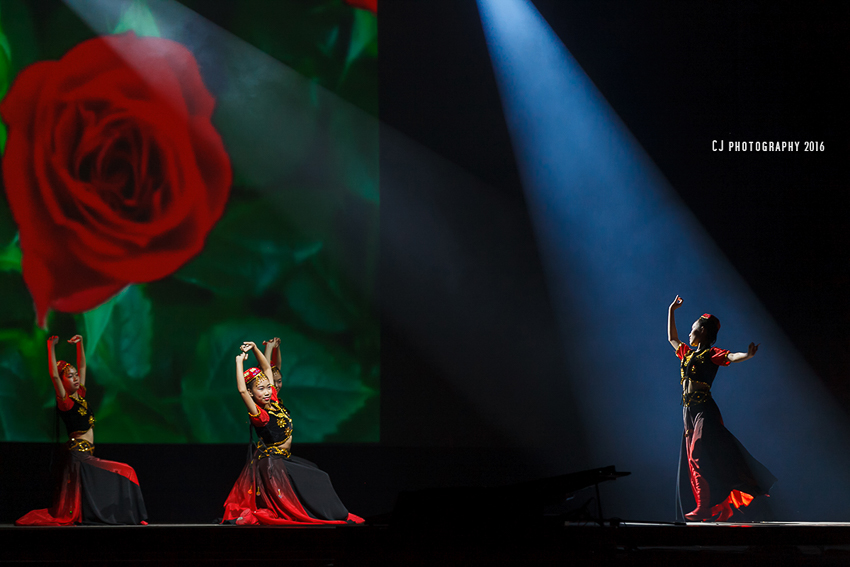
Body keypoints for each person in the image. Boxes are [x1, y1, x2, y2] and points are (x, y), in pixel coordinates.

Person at [221, 341, 363, 525]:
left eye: (267, 386)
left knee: (315, 470)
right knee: (320, 478)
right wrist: (239, 361)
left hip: (283, 459)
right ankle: (331, 515)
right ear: (251, 392)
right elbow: (241, 390)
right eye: (260, 389)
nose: (266, 391)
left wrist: (256, 348)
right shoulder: (260, 415)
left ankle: (330, 513)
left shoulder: (273, 399)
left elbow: (267, 367)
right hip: (273, 464)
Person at [16, 335, 148, 525]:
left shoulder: (81, 396)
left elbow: (83, 367)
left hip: (87, 455)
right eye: (70, 376)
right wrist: (50, 347)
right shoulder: (66, 402)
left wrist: (80, 345)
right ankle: (132, 517)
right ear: (62, 382)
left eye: (75, 375)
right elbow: (54, 375)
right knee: (125, 471)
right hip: (78, 456)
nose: (76, 378)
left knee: (119, 475)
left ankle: (129, 516)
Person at [668, 296, 776, 522]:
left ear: (704, 332)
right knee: (693, 459)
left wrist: (747, 355)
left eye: (693, 328)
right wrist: (671, 310)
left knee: (698, 453)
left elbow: (731, 356)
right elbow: (672, 338)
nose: (689, 332)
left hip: (704, 408)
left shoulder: (710, 354)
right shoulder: (687, 354)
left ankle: (707, 505)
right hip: (688, 410)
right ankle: (705, 506)